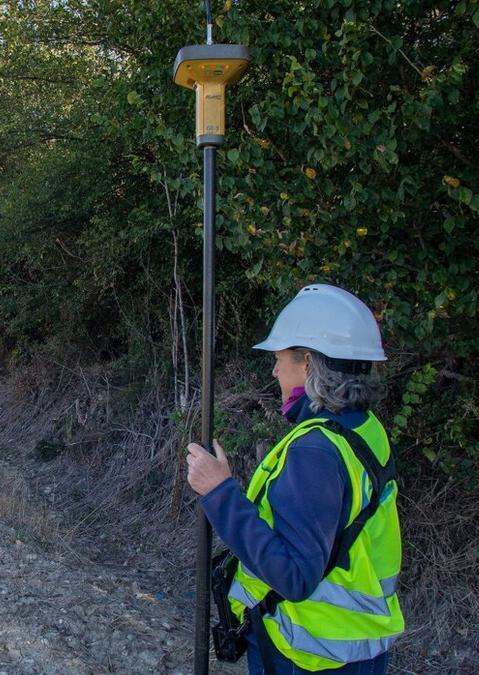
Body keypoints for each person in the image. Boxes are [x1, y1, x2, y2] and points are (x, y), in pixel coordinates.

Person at [187, 284, 403, 673]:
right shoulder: (363, 429)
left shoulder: (315, 451)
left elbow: (295, 576)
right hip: (355, 647)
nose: (274, 371)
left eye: (279, 359)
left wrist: (219, 492)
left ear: (307, 363)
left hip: (309, 654)